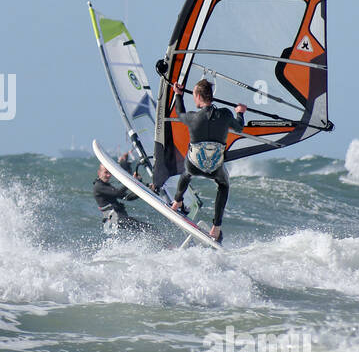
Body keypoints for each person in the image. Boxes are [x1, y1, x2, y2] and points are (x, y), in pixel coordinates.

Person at [166, 79, 245, 243]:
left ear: (198, 96)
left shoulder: (193, 118)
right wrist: (240, 112)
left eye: (194, 95)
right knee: (223, 185)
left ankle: (177, 201)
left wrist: (178, 95)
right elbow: (239, 127)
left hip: (194, 165)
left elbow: (180, 114)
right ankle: (216, 228)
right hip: (215, 166)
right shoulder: (225, 114)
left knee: (186, 173)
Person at [93, 162, 157, 237]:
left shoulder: (106, 186)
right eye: (106, 172)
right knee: (149, 228)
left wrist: (146, 189)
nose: (108, 175)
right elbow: (117, 193)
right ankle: (168, 246)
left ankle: (164, 245)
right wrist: (132, 180)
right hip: (116, 220)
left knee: (147, 229)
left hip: (120, 219)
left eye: (110, 173)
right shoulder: (98, 186)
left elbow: (128, 197)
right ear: (99, 172)